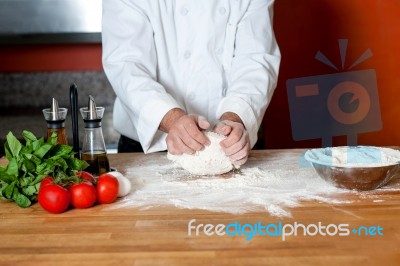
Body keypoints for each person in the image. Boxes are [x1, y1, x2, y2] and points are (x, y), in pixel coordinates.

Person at [102, 0, 281, 166]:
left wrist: (235, 117)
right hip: (149, 147)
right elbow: (126, 64)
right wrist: (171, 119)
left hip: (232, 145)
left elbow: (256, 59)